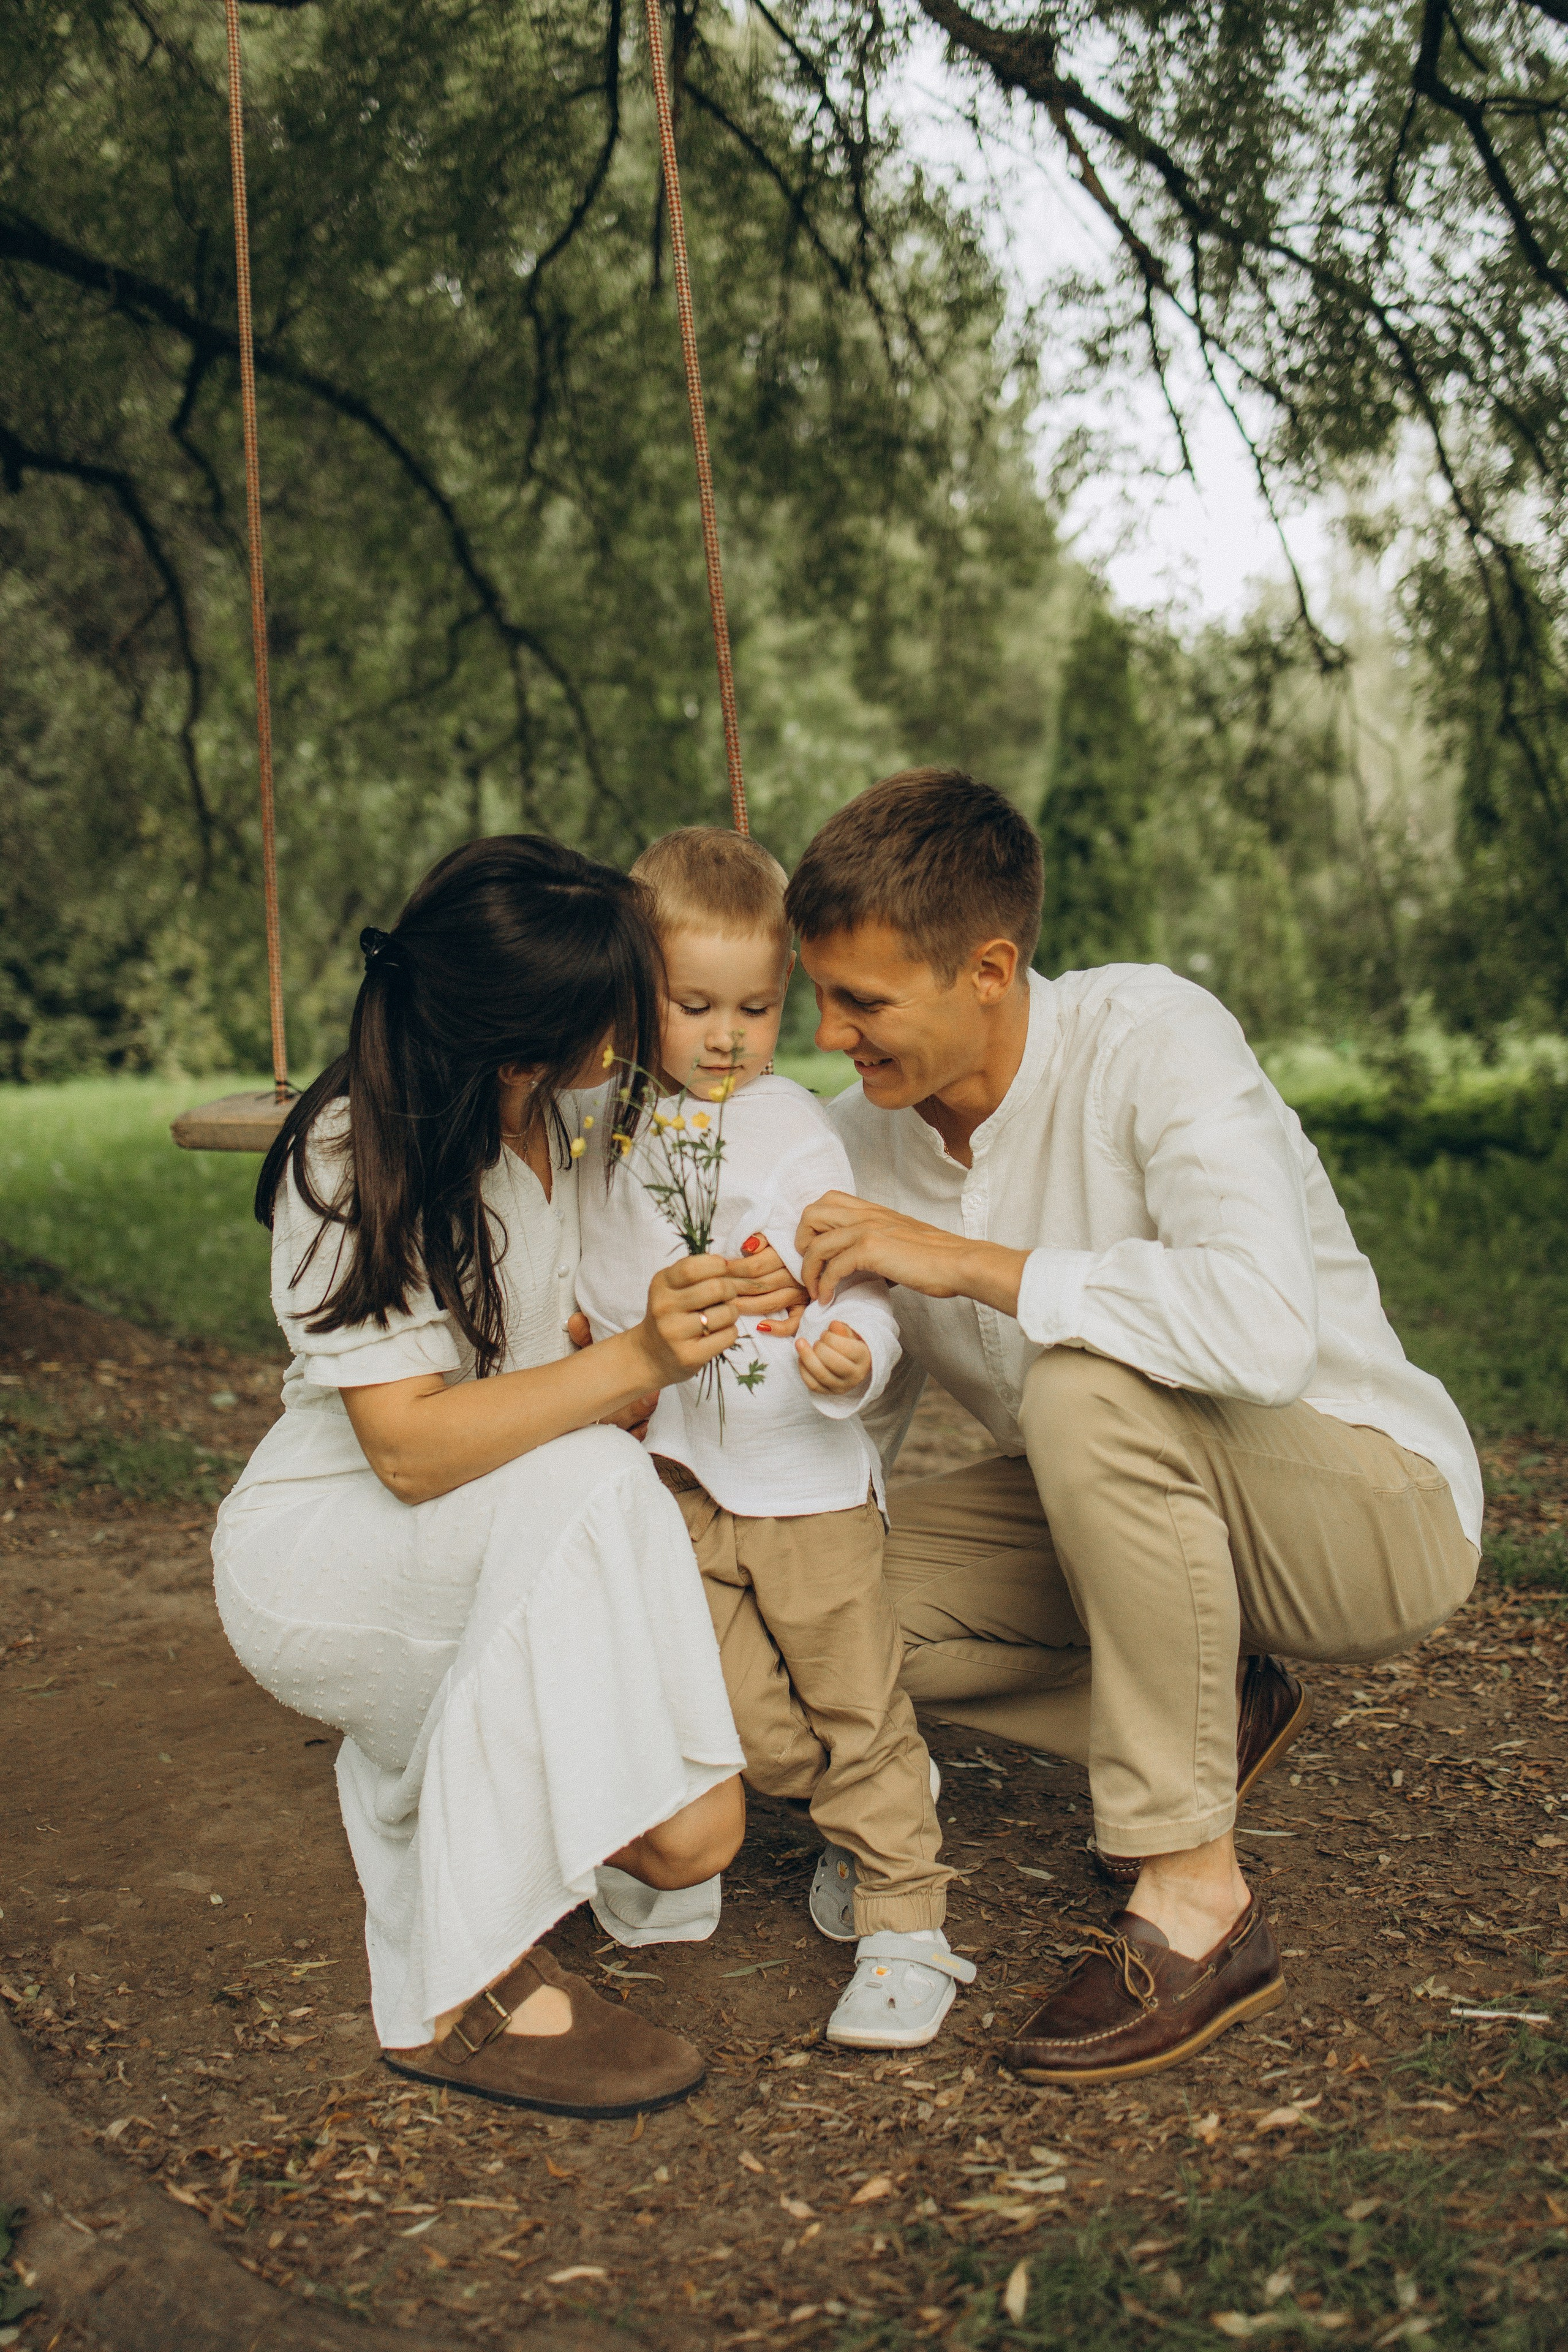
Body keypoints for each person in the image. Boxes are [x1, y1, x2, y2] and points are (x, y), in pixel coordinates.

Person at [783, 768, 1482, 2085]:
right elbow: (856, 1424)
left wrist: (969, 1263)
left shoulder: (1152, 1036)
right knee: (815, 1605)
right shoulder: (855, 1140)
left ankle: (1195, 1903)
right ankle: (1212, 1703)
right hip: (1114, 1512)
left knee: (1079, 1376)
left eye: (862, 1001)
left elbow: (1261, 1330)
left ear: (987, 969)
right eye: (819, 993)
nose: (830, 1034)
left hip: (1366, 1510)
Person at [212, 835, 801, 2120]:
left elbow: (710, 1122)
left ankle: (466, 1759)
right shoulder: (343, 1160)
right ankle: (456, 1980)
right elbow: (410, 1449)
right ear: (515, 1047)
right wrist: (630, 1362)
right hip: (333, 1544)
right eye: (611, 1025)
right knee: (600, 1474)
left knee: (692, 1842)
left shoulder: (555, 1115)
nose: (630, 1045)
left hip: (497, 1502)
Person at [574, 827, 973, 2050]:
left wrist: (853, 1348)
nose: (726, 1036)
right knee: (743, 1720)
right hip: (678, 1478)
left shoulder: (790, 1124)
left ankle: (905, 1918)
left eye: (754, 1006)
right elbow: (590, 1274)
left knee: (852, 1697)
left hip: (799, 1474)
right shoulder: (609, 1119)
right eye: (693, 1005)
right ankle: (878, 1796)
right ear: (636, 993)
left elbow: (853, 1276)